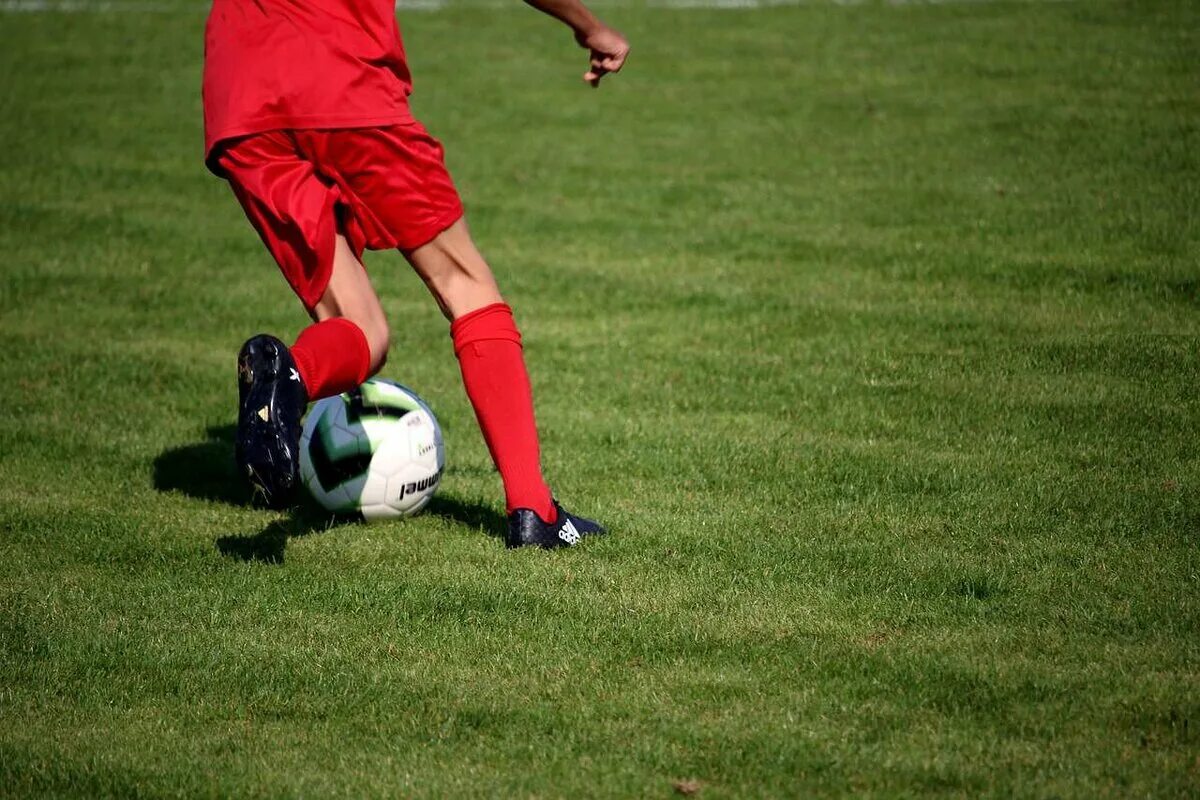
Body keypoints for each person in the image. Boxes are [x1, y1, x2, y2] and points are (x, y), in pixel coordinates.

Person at [202, 0, 629, 548]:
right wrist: (587, 25)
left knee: (363, 330)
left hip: (238, 94)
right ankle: (533, 510)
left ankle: (292, 378)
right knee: (465, 283)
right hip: (340, 77)